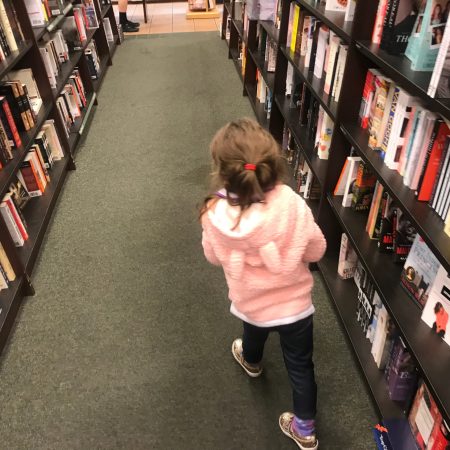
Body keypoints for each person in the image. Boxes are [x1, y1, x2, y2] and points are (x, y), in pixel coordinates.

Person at [200, 118, 326, 450]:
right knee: (301, 366)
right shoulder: (292, 204)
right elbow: (317, 249)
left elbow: (213, 257)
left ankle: (252, 361)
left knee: (253, 330)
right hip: (295, 308)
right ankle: (305, 429)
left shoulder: (213, 210)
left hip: (251, 302)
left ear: (223, 172)